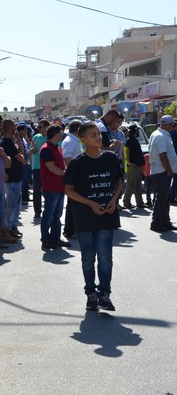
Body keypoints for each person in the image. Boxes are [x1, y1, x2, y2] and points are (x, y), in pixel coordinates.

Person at [64, 122, 122, 311]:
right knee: (88, 258)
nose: (98, 137)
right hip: (85, 218)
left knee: (105, 257)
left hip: (107, 215)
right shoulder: (77, 163)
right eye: (93, 135)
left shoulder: (111, 158)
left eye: (98, 134)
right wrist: (90, 203)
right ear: (83, 139)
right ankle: (91, 294)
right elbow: (69, 190)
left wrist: (114, 199)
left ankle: (104, 294)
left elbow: (118, 181)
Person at [40, 125, 69, 250]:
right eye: (61, 132)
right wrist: (66, 173)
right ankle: (46, 239)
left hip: (59, 187)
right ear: (55, 134)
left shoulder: (57, 148)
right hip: (50, 187)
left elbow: (59, 167)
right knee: (49, 215)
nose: (62, 134)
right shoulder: (46, 149)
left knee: (57, 215)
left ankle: (55, 239)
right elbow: (52, 168)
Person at [148, 115, 177, 232]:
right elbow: (162, 155)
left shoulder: (160, 134)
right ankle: (156, 223)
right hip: (162, 171)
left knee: (165, 197)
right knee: (162, 198)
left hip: (161, 171)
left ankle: (165, 221)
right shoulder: (161, 136)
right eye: (173, 125)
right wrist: (169, 170)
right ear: (168, 125)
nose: (173, 127)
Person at [0, 120, 26, 239]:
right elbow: (22, 158)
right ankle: (8, 228)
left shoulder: (11, 142)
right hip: (11, 179)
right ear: (11, 129)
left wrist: (19, 140)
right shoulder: (7, 143)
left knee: (16, 204)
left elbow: (21, 153)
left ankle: (13, 226)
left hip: (16, 178)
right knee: (10, 205)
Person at [61, 120, 84, 238]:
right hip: (74, 176)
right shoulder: (70, 140)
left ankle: (72, 228)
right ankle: (70, 230)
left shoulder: (74, 140)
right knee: (72, 204)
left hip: (77, 175)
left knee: (74, 203)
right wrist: (72, 174)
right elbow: (66, 158)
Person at [29, 119, 50, 219]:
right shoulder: (36, 137)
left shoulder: (52, 138)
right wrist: (34, 148)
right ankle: (37, 211)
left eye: (41, 127)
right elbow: (30, 152)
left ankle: (49, 209)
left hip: (50, 168)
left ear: (47, 127)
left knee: (49, 190)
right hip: (37, 168)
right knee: (37, 191)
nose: (39, 129)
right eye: (38, 127)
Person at [122, 124, 146, 209]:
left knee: (138, 185)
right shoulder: (129, 141)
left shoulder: (134, 140)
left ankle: (140, 202)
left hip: (138, 165)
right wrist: (129, 162)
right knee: (130, 185)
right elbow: (126, 152)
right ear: (135, 131)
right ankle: (126, 202)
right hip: (132, 166)